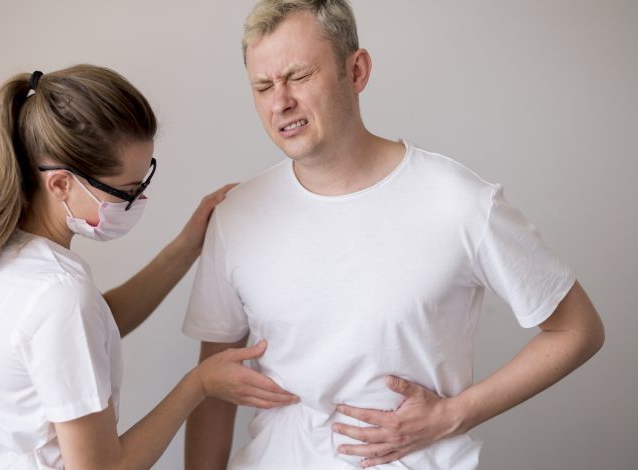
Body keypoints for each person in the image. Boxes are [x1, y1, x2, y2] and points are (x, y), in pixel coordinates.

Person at [182, 1, 605, 469]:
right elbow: (214, 384)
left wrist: (454, 415)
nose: (281, 102)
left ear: (356, 71)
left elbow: (578, 329)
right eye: (263, 86)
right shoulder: (237, 216)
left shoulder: (458, 202)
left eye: (298, 77)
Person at [0, 64, 299, 469]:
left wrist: (185, 247)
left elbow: (90, 327)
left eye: (143, 182)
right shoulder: (58, 295)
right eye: (127, 192)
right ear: (61, 184)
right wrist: (198, 384)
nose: (138, 202)